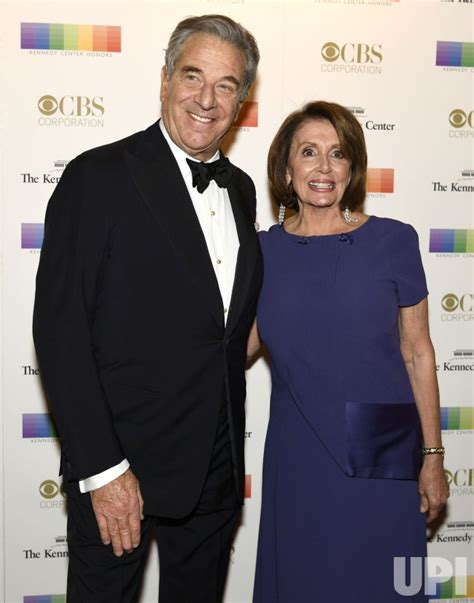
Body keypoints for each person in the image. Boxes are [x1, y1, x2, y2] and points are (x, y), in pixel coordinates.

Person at [33, 14, 262, 603]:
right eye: (193, 76)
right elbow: (61, 335)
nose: (206, 100)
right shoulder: (99, 177)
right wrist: (105, 472)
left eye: (226, 85)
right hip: (122, 470)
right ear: (164, 80)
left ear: (241, 100)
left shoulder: (239, 190)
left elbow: (221, 331)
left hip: (214, 470)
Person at [248, 101, 449, 603]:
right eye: (308, 152)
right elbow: (236, 350)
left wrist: (432, 455)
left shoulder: (393, 241)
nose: (323, 168)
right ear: (285, 168)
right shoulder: (262, 253)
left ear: (352, 167)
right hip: (299, 456)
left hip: (383, 452)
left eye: (337, 154)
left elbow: (417, 352)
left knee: (380, 584)